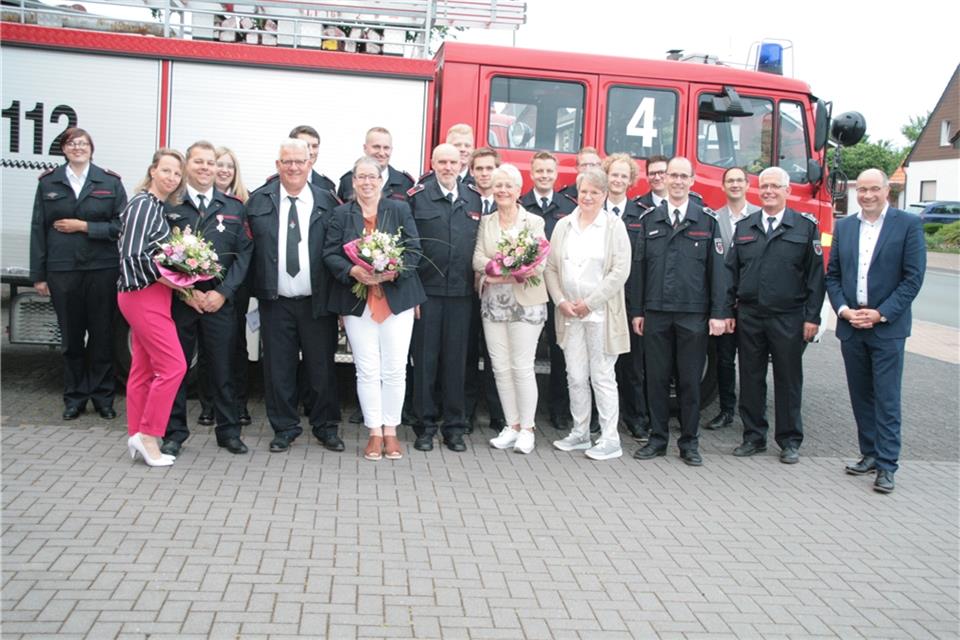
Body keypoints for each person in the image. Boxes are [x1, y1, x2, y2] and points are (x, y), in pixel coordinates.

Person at [826, 168, 926, 493]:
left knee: (886, 398)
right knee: (860, 396)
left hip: (887, 329)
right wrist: (844, 310)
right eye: (862, 190)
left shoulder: (907, 225)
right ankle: (868, 453)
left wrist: (881, 314)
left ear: (887, 191)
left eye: (874, 189)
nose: (867, 195)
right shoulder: (844, 227)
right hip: (852, 326)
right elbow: (833, 275)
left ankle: (887, 466)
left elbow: (913, 278)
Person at [325, 156, 426, 461]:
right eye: (360, 177)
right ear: (353, 182)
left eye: (372, 177)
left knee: (395, 369)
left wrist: (395, 270)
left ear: (381, 180)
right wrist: (352, 272)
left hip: (397, 300)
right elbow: (329, 253)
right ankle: (373, 433)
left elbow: (414, 248)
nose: (366, 182)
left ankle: (392, 431)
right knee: (367, 369)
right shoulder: (342, 214)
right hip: (359, 303)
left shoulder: (398, 208)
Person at [244, 138, 343, 453]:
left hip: (317, 303)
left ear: (309, 163)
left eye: (299, 161)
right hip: (275, 303)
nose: (293, 167)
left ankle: (325, 427)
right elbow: (248, 253)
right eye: (287, 161)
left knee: (322, 370)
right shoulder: (258, 202)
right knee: (278, 371)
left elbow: (339, 251)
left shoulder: (328, 201)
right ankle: (284, 428)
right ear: (278, 165)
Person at [630, 157, 730, 467]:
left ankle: (689, 443)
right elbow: (639, 270)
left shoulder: (707, 220)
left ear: (692, 180)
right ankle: (658, 440)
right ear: (663, 179)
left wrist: (718, 313)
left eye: (682, 176)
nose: (676, 181)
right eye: (672, 175)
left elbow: (718, 274)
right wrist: (637, 311)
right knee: (656, 380)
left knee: (689, 381)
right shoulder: (650, 220)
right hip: (656, 312)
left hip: (692, 314)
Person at [159, 141, 253, 457]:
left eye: (210, 163)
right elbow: (159, 254)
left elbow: (244, 255)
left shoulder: (234, 207)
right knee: (178, 368)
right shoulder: (171, 204)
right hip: (181, 302)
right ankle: (174, 433)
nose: (205, 168)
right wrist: (186, 293)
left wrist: (223, 293)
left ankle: (228, 433)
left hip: (218, 302)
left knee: (223, 370)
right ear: (187, 165)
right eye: (199, 162)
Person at [725, 166, 824, 464]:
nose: (768, 191)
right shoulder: (745, 227)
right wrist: (728, 310)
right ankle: (753, 437)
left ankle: (789, 441)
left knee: (788, 379)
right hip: (750, 316)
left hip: (789, 316)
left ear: (787, 191)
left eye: (775, 187)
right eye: (764, 186)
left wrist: (812, 318)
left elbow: (816, 277)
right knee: (752, 378)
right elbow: (731, 272)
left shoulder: (805, 228)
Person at [29, 127, 127, 421]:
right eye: (72, 143)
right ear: (64, 149)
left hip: (101, 269)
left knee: (101, 336)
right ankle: (74, 398)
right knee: (71, 339)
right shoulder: (49, 183)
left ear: (91, 148)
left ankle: (102, 397)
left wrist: (84, 227)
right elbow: (38, 229)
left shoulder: (109, 182)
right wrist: (39, 275)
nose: (78, 147)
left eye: (83, 143)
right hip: (63, 270)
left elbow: (120, 226)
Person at [545, 168, 631, 461]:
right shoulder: (564, 226)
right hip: (569, 314)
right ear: (577, 193)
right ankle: (580, 433)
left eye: (595, 192)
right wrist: (560, 301)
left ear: (605, 195)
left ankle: (609, 439)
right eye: (584, 191)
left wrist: (590, 302)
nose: (589, 197)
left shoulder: (613, 226)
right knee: (576, 376)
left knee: (603, 376)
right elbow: (551, 268)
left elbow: (620, 271)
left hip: (601, 315)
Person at [116, 149, 189, 467]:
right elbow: (134, 256)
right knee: (174, 366)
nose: (172, 178)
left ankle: (136, 434)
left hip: (150, 295)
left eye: (177, 174)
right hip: (144, 295)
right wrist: (175, 281)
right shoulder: (144, 205)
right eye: (167, 170)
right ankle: (149, 435)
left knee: (143, 370)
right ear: (153, 171)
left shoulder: (154, 207)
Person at [408, 143, 483, 452]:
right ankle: (424, 427)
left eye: (454, 162)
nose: (449, 167)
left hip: (462, 296)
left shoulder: (474, 198)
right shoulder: (417, 197)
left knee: (456, 363)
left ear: (461, 164)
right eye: (443, 162)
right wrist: (411, 294)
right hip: (427, 294)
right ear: (433, 163)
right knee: (425, 363)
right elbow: (407, 248)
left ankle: (454, 427)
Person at [473, 164, 548, 453]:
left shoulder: (533, 221)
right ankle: (511, 425)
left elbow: (538, 263)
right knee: (500, 367)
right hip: (493, 305)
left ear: (519, 190)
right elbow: (478, 257)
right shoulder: (487, 222)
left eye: (508, 186)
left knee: (522, 366)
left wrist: (497, 274)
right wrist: (501, 269)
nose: (502, 190)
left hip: (525, 304)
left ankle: (528, 428)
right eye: (498, 185)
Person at [520, 151, 576, 429]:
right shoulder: (520, 205)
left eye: (548, 171)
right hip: (527, 289)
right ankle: (517, 412)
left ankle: (559, 410)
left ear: (556, 174)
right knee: (523, 352)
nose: (544, 175)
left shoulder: (569, 206)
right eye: (539, 171)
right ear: (531, 174)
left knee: (559, 351)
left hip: (558, 290)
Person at [705, 166, 761, 431]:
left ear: (748, 185)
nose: (735, 185)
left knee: (752, 363)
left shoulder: (760, 218)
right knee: (724, 360)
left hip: (751, 303)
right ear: (723, 186)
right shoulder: (714, 219)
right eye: (730, 181)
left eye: (740, 180)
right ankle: (726, 410)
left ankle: (752, 414)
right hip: (726, 303)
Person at [602, 153, 650, 441]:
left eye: (623, 176)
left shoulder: (641, 215)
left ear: (631, 181)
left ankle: (636, 419)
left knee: (633, 366)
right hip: (601, 299)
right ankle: (601, 420)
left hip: (631, 300)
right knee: (602, 363)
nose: (618, 180)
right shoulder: (594, 211)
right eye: (613, 174)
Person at [465, 147, 506, 432]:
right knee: (466, 353)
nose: (484, 173)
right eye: (478, 168)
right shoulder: (464, 200)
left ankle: (497, 412)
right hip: (465, 292)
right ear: (471, 172)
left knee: (496, 354)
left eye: (489, 168)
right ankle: (466, 412)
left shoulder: (506, 203)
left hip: (497, 292)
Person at [214, 145, 252, 426]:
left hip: (235, 287)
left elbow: (246, 249)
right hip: (201, 290)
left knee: (236, 346)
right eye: (219, 164)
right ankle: (207, 405)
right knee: (208, 353)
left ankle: (238, 402)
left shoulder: (242, 204)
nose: (224, 170)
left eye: (229, 165)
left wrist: (227, 288)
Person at [336, 127, 414, 202]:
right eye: (376, 147)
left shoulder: (405, 183)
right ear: (365, 148)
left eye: (386, 148)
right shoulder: (347, 181)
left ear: (391, 149)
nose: (381, 153)